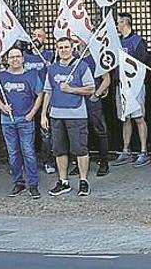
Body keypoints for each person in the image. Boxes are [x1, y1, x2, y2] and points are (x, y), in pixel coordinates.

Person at [41, 37, 95, 196]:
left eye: (66, 47)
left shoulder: (82, 66)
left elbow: (91, 89)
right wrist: (44, 114)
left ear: (72, 48)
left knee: (80, 149)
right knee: (59, 149)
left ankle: (83, 181)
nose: (63, 50)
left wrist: (71, 89)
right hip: (56, 114)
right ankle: (63, 181)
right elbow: (48, 91)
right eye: (60, 47)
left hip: (76, 114)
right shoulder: (52, 69)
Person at [0, 47, 43, 199]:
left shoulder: (32, 75)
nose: (15, 59)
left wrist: (32, 114)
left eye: (17, 56)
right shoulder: (1, 76)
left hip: (25, 119)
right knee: (13, 153)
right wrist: (2, 106)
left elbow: (40, 95)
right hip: (7, 120)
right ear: (7, 60)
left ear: (23, 59)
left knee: (28, 152)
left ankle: (33, 184)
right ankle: (18, 182)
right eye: (11, 57)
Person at [111, 13, 151, 168]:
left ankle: (143, 151)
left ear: (125, 23)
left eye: (119, 22)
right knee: (125, 118)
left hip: (135, 85)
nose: (117, 25)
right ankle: (126, 150)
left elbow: (142, 62)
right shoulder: (117, 42)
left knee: (139, 117)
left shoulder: (138, 41)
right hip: (120, 85)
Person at [25, 30, 56, 175]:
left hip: (45, 99)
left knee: (45, 132)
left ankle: (47, 161)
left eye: (39, 36)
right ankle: (28, 162)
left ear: (44, 39)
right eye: (34, 36)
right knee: (28, 133)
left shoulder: (50, 56)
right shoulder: (24, 56)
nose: (36, 38)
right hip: (28, 99)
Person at [83, 48, 112, 176]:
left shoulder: (97, 56)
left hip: (92, 100)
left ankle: (104, 162)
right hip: (77, 100)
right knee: (81, 132)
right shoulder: (74, 56)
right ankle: (82, 162)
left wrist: (97, 94)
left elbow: (106, 79)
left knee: (100, 130)